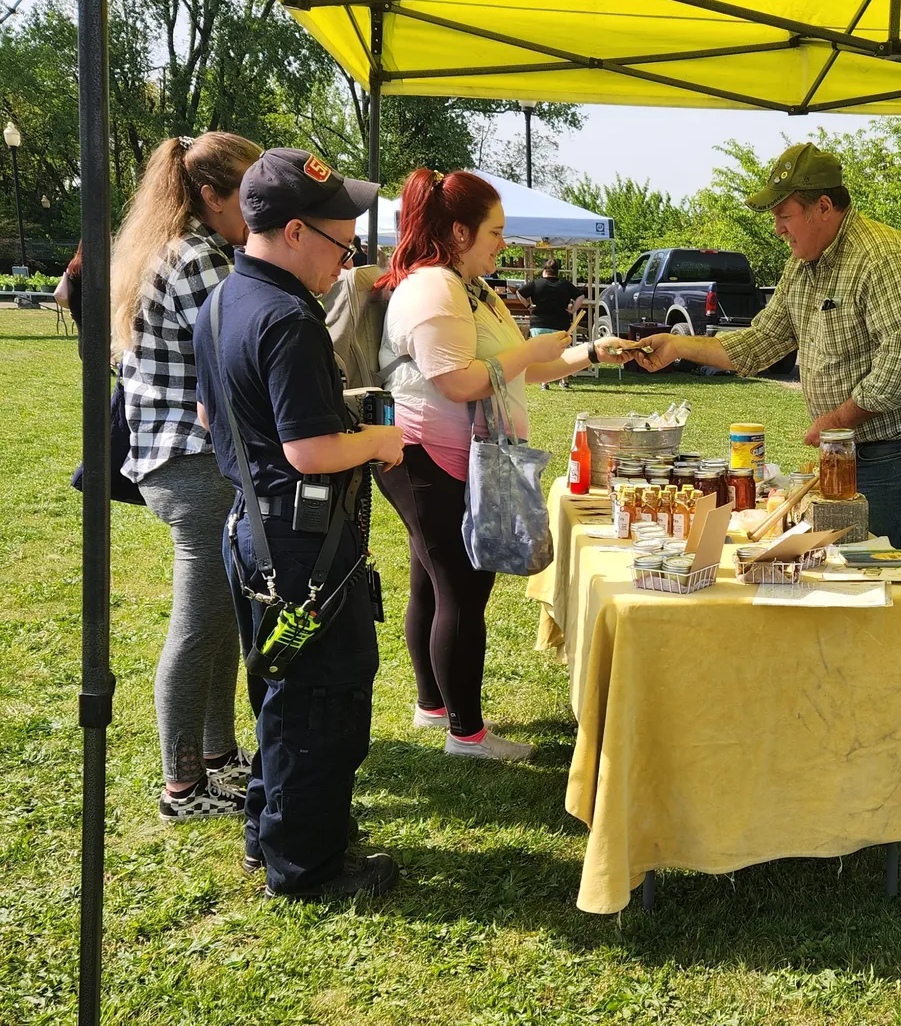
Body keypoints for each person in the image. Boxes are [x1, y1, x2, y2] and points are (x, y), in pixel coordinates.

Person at [194, 147, 406, 900]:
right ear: (292, 232)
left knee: (282, 692)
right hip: (301, 538)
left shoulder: (222, 301)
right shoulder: (287, 316)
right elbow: (311, 450)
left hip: (251, 527)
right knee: (325, 699)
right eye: (340, 243)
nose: (344, 260)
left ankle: (273, 832)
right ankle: (307, 867)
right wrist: (379, 440)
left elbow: (210, 413)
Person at [376, 169, 633, 760]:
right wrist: (530, 349)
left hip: (455, 459)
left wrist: (588, 351)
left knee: (432, 580)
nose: (504, 243)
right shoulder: (433, 289)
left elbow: (523, 368)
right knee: (462, 588)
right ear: (459, 231)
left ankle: (434, 707)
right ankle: (465, 734)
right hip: (429, 458)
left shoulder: (471, 285)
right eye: (495, 232)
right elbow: (458, 380)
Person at [637, 142, 901, 549]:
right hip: (850, 450)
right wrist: (678, 346)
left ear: (823, 206)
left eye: (784, 216)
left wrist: (838, 419)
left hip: (896, 453)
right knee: (842, 577)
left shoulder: (882, 256)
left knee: (885, 585)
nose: (778, 229)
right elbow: (762, 341)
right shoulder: (801, 265)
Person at [110, 132, 264, 821]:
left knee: (221, 614)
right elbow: (240, 357)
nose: (258, 212)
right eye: (250, 197)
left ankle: (216, 754)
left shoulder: (171, 250)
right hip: (193, 460)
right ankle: (182, 787)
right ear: (210, 197)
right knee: (201, 623)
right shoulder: (199, 259)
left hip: (177, 458)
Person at [518, 257, 586, 389]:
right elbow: (580, 296)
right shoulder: (565, 285)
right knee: (562, 353)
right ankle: (564, 380)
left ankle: (545, 382)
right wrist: (573, 310)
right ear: (557, 271)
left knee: (541, 354)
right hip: (560, 324)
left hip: (539, 324)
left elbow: (520, 293)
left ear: (544, 270)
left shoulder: (535, 284)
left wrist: (528, 305)